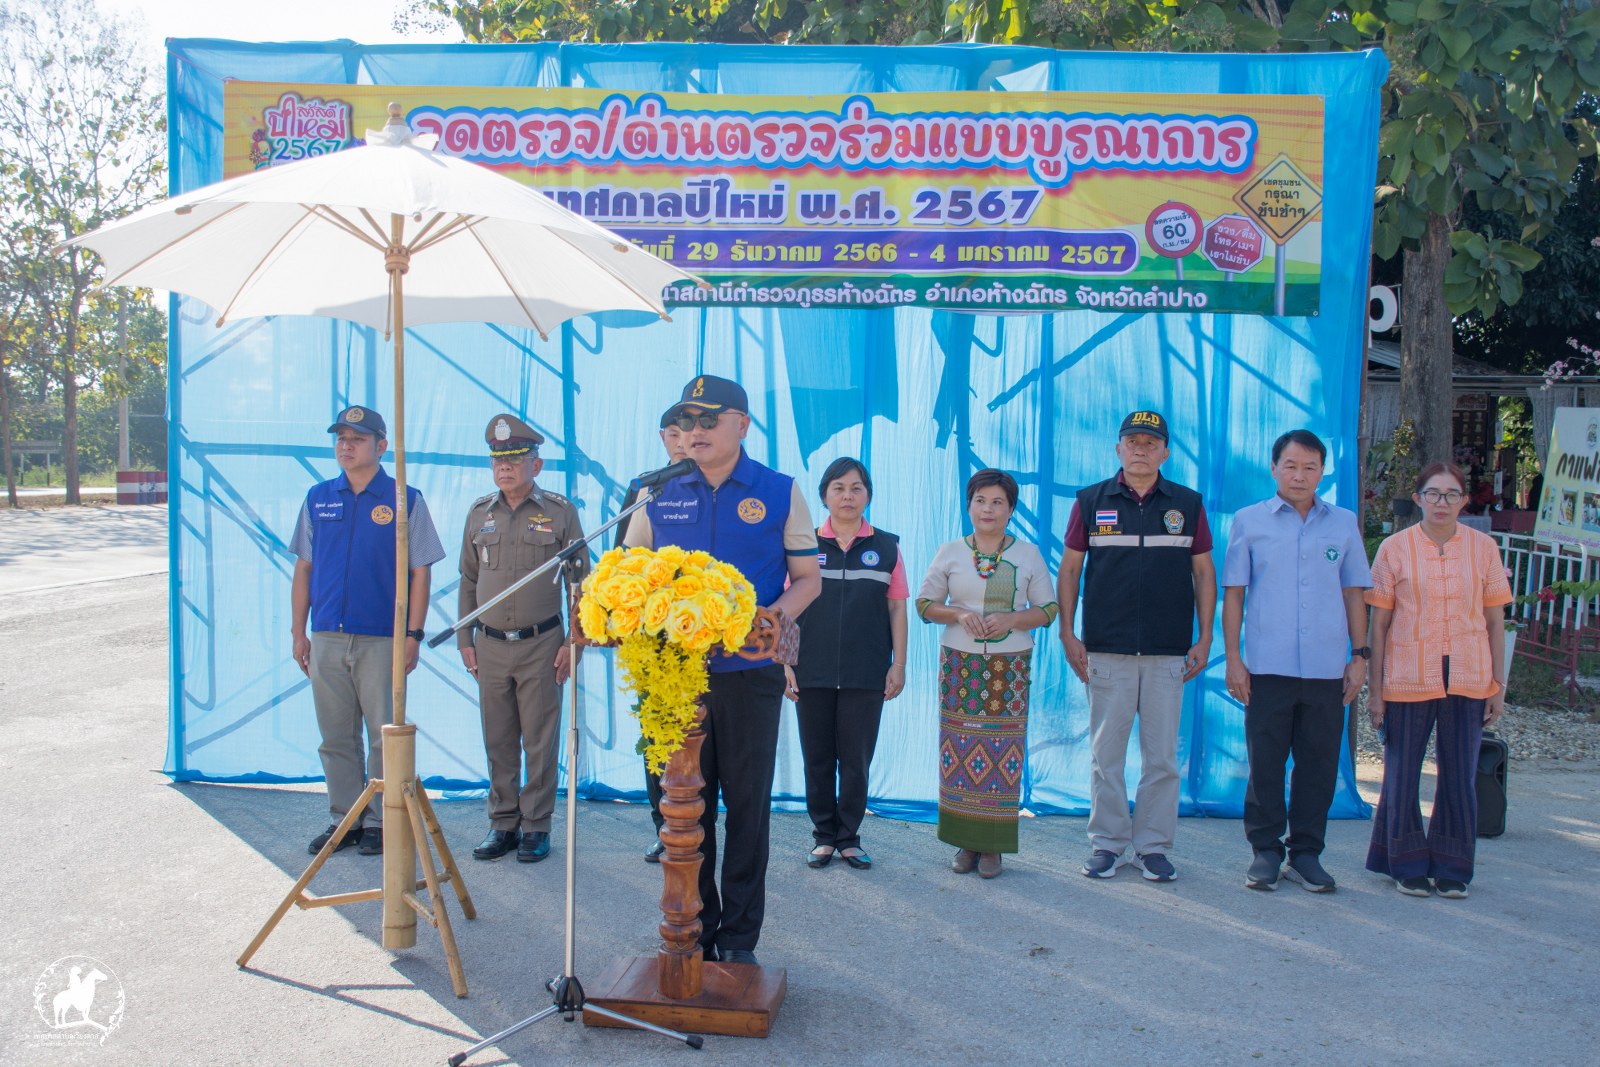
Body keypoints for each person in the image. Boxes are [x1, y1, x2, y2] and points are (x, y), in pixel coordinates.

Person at [622, 374, 820, 966]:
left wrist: (771, 617)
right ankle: (692, 929)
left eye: (709, 419)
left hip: (748, 673)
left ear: (743, 425)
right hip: (671, 675)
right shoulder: (656, 490)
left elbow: (807, 579)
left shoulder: (779, 491)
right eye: (687, 421)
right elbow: (628, 573)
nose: (696, 431)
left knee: (747, 805)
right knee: (683, 808)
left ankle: (737, 938)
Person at [1057, 410, 1215, 883]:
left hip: (1168, 652)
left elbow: (1204, 573)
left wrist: (1205, 637)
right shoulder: (1090, 501)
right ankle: (1106, 844)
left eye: (1151, 443)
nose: (1141, 450)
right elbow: (1070, 570)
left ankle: (1152, 847)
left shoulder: (1187, 504)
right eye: (1133, 441)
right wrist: (1068, 632)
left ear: (1165, 452)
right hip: (1107, 649)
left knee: (1161, 757)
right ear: (1118, 449)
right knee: (1106, 756)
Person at [289, 405, 445, 856]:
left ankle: (380, 820)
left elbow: (421, 572)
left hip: (382, 638)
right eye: (341, 438)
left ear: (381, 446)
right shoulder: (318, 497)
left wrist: (413, 635)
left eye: (357, 439)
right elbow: (304, 568)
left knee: (382, 735)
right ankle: (345, 818)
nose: (346, 446)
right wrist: (299, 632)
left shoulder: (405, 499)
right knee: (335, 736)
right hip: (327, 635)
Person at [1221, 429, 1372, 893]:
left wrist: (1359, 655)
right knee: (1265, 763)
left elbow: (1354, 592)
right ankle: (1265, 851)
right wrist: (1233, 659)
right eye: (1290, 465)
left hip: (1327, 667)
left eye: (1310, 467)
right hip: (1267, 666)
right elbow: (1234, 594)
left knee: (1319, 764)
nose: (1299, 475)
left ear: (1322, 471)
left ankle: (1306, 853)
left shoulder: (1343, 523)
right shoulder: (1249, 521)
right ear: (1274, 468)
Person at [1366, 462, 1511, 899]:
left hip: (1469, 674)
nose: (1442, 502)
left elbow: (1494, 620)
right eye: (1433, 493)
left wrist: (1499, 686)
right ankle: (1405, 862)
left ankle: (1452, 865)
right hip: (1407, 673)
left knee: (1460, 774)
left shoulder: (1484, 549)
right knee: (1402, 771)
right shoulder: (1394, 548)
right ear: (1418, 498)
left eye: (1451, 494)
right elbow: (1378, 625)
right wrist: (1376, 691)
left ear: (1464, 501)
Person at [457, 414, 587, 864]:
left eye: (514, 458)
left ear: (537, 464)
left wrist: (573, 642)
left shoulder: (560, 512)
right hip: (489, 644)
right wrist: (465, 638)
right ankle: (503, 823)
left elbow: (580, 583)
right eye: (498, 459)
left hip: (542, 644)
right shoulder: (479, 513)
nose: (505, 467)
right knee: (498, 738)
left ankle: (536, 825)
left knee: (539, 739)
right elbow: (468, 579)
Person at [916, 469, 1057, 880]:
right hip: (960, 665)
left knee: (1001, 750)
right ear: (969, 506)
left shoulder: (1028, 554)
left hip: (1008, 667)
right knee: (959, 748)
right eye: (980, 500)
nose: (988, 509)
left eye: (998, 502)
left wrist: (1013, 619)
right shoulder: (950, 552)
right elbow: (924, 604)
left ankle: (993, 846)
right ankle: (965, 841)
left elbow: (1048, 610)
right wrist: (959, 613)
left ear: (1011, 509)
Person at [783, 457, 909, 872]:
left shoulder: (887, 547)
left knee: (856, 761)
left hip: (866, 672)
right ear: (824, 496)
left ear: (868, 495)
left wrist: (898, 664)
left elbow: (897, 609)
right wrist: (784, 662)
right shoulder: (803, 545)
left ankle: (849, 838)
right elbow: (786, 609)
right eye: (838, 488)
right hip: (810, 670)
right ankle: (823, 836)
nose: (847, 496)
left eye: (856, 488)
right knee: (817, 758)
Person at [619, 409, 689, 863]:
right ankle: (662, 825)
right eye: (674, 434)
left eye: (691, 432)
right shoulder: (647, 488)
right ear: (663, 437)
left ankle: (702, 825)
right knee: (658, 737)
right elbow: (622, 561)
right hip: (656, 637)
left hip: (711, 634)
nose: (683, 442)